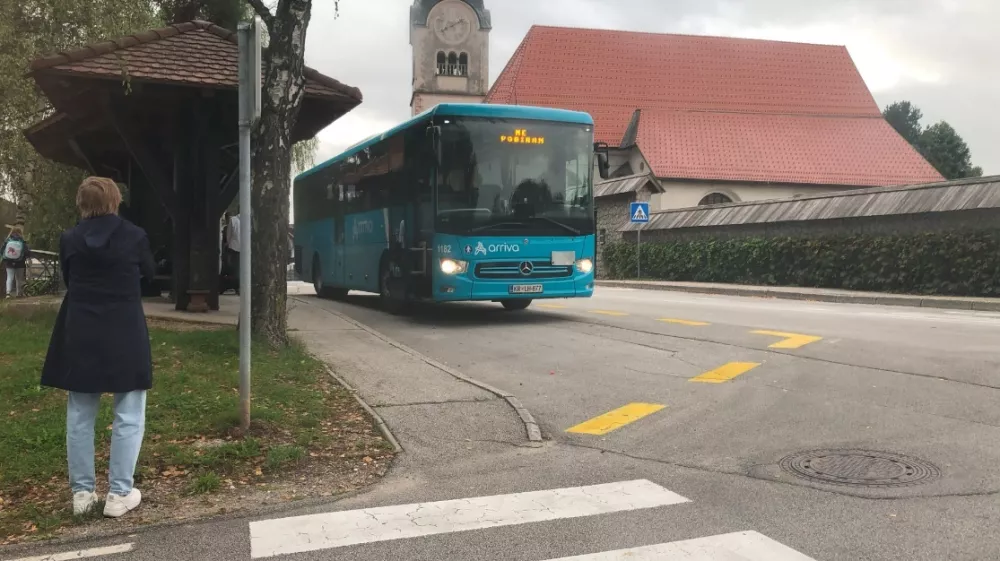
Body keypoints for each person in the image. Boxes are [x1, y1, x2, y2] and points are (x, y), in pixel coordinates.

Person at [41, 176, 156, 518]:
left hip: (80, 328)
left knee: (79, 412)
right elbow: (149, 275)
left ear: (82, 203)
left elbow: (68, 274)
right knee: (130, 410)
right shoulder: (135, 236)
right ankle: (119, 494)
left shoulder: (69, 239)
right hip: (124, 328)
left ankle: (82, 494)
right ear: (115, 200)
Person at [2, 225, 30, 298]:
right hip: (20, 262)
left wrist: (4, 258)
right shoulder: (22, 241)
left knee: (9, 277)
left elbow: (2, 250)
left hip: (9, 262)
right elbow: (27, 252)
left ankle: (8, 293)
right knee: (19, 278)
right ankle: (19, 294)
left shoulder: (7, 240)